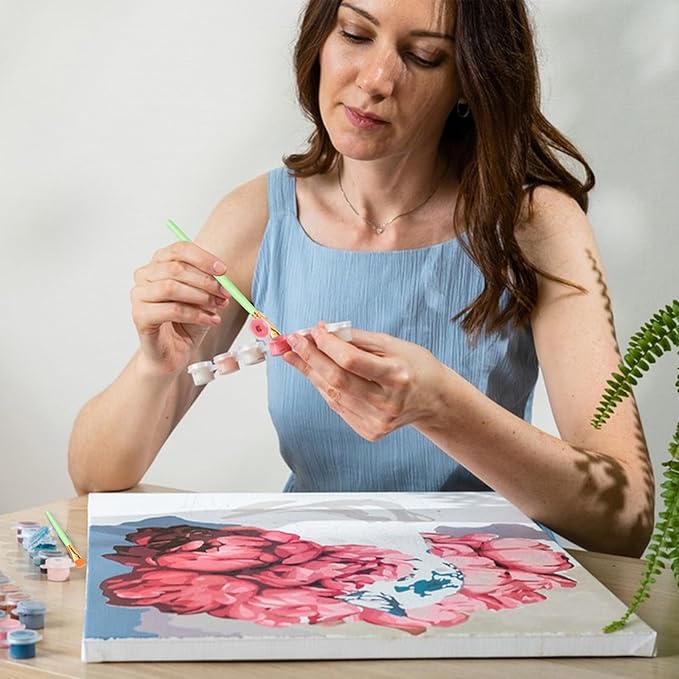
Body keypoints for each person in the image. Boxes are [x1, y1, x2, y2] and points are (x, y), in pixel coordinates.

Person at [68, 0, 654, 557]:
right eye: (354, 34)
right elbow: (94, 476)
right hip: (307, 589)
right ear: (320, 38)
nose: (375, 80)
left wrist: (440, 407)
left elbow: (627, 516)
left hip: (490, 595)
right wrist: (154, 369)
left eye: (423, 56)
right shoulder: (257, 217)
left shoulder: (533, 225)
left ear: (469, 82)